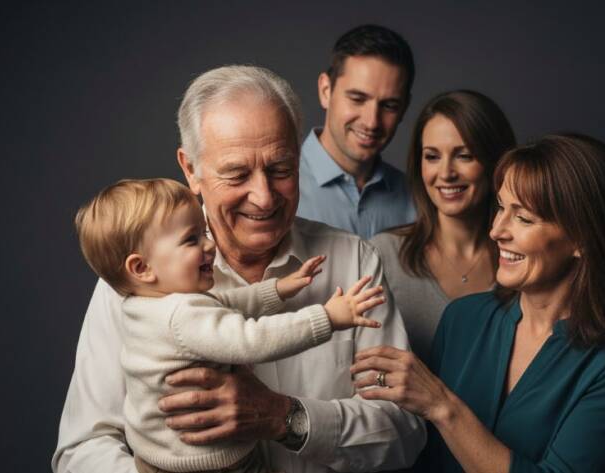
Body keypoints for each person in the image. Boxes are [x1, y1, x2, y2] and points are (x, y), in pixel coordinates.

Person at [52, 65, 426, 473]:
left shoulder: (354, 262)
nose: (264, 198)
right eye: (236, 173)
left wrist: (285, 418)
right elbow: (82, 448)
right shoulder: (136, 285)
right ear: (190, 169)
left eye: (281, 169)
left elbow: (404, 433)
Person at [352, 134, 605, 472]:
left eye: (524, 218)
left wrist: (442, 405)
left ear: (583, 240)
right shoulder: (463, 318)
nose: (497, 231)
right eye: (501, 208)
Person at [72, 178, 386, 473]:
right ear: (142, 267)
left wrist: (277, 289)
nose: (208, 246)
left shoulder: (145, 303)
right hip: (209, 465)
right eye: (191, 240)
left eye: (203, 233)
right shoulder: (181, 314)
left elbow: (224, 304)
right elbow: (252, 339)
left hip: (153, 458)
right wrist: (327, 317)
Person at [369, 90, 515, 364]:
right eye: (432, 156)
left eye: (464, 156)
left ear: (495, 162)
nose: (446, 173)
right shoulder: (382, 255)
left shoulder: (520, 261)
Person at [297, 24, 417, 239]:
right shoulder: (275, 189)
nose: (371, 122)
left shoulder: (417, 199)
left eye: (389, 105)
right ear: (326, 91)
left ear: (404, 108)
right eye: (357, 99)